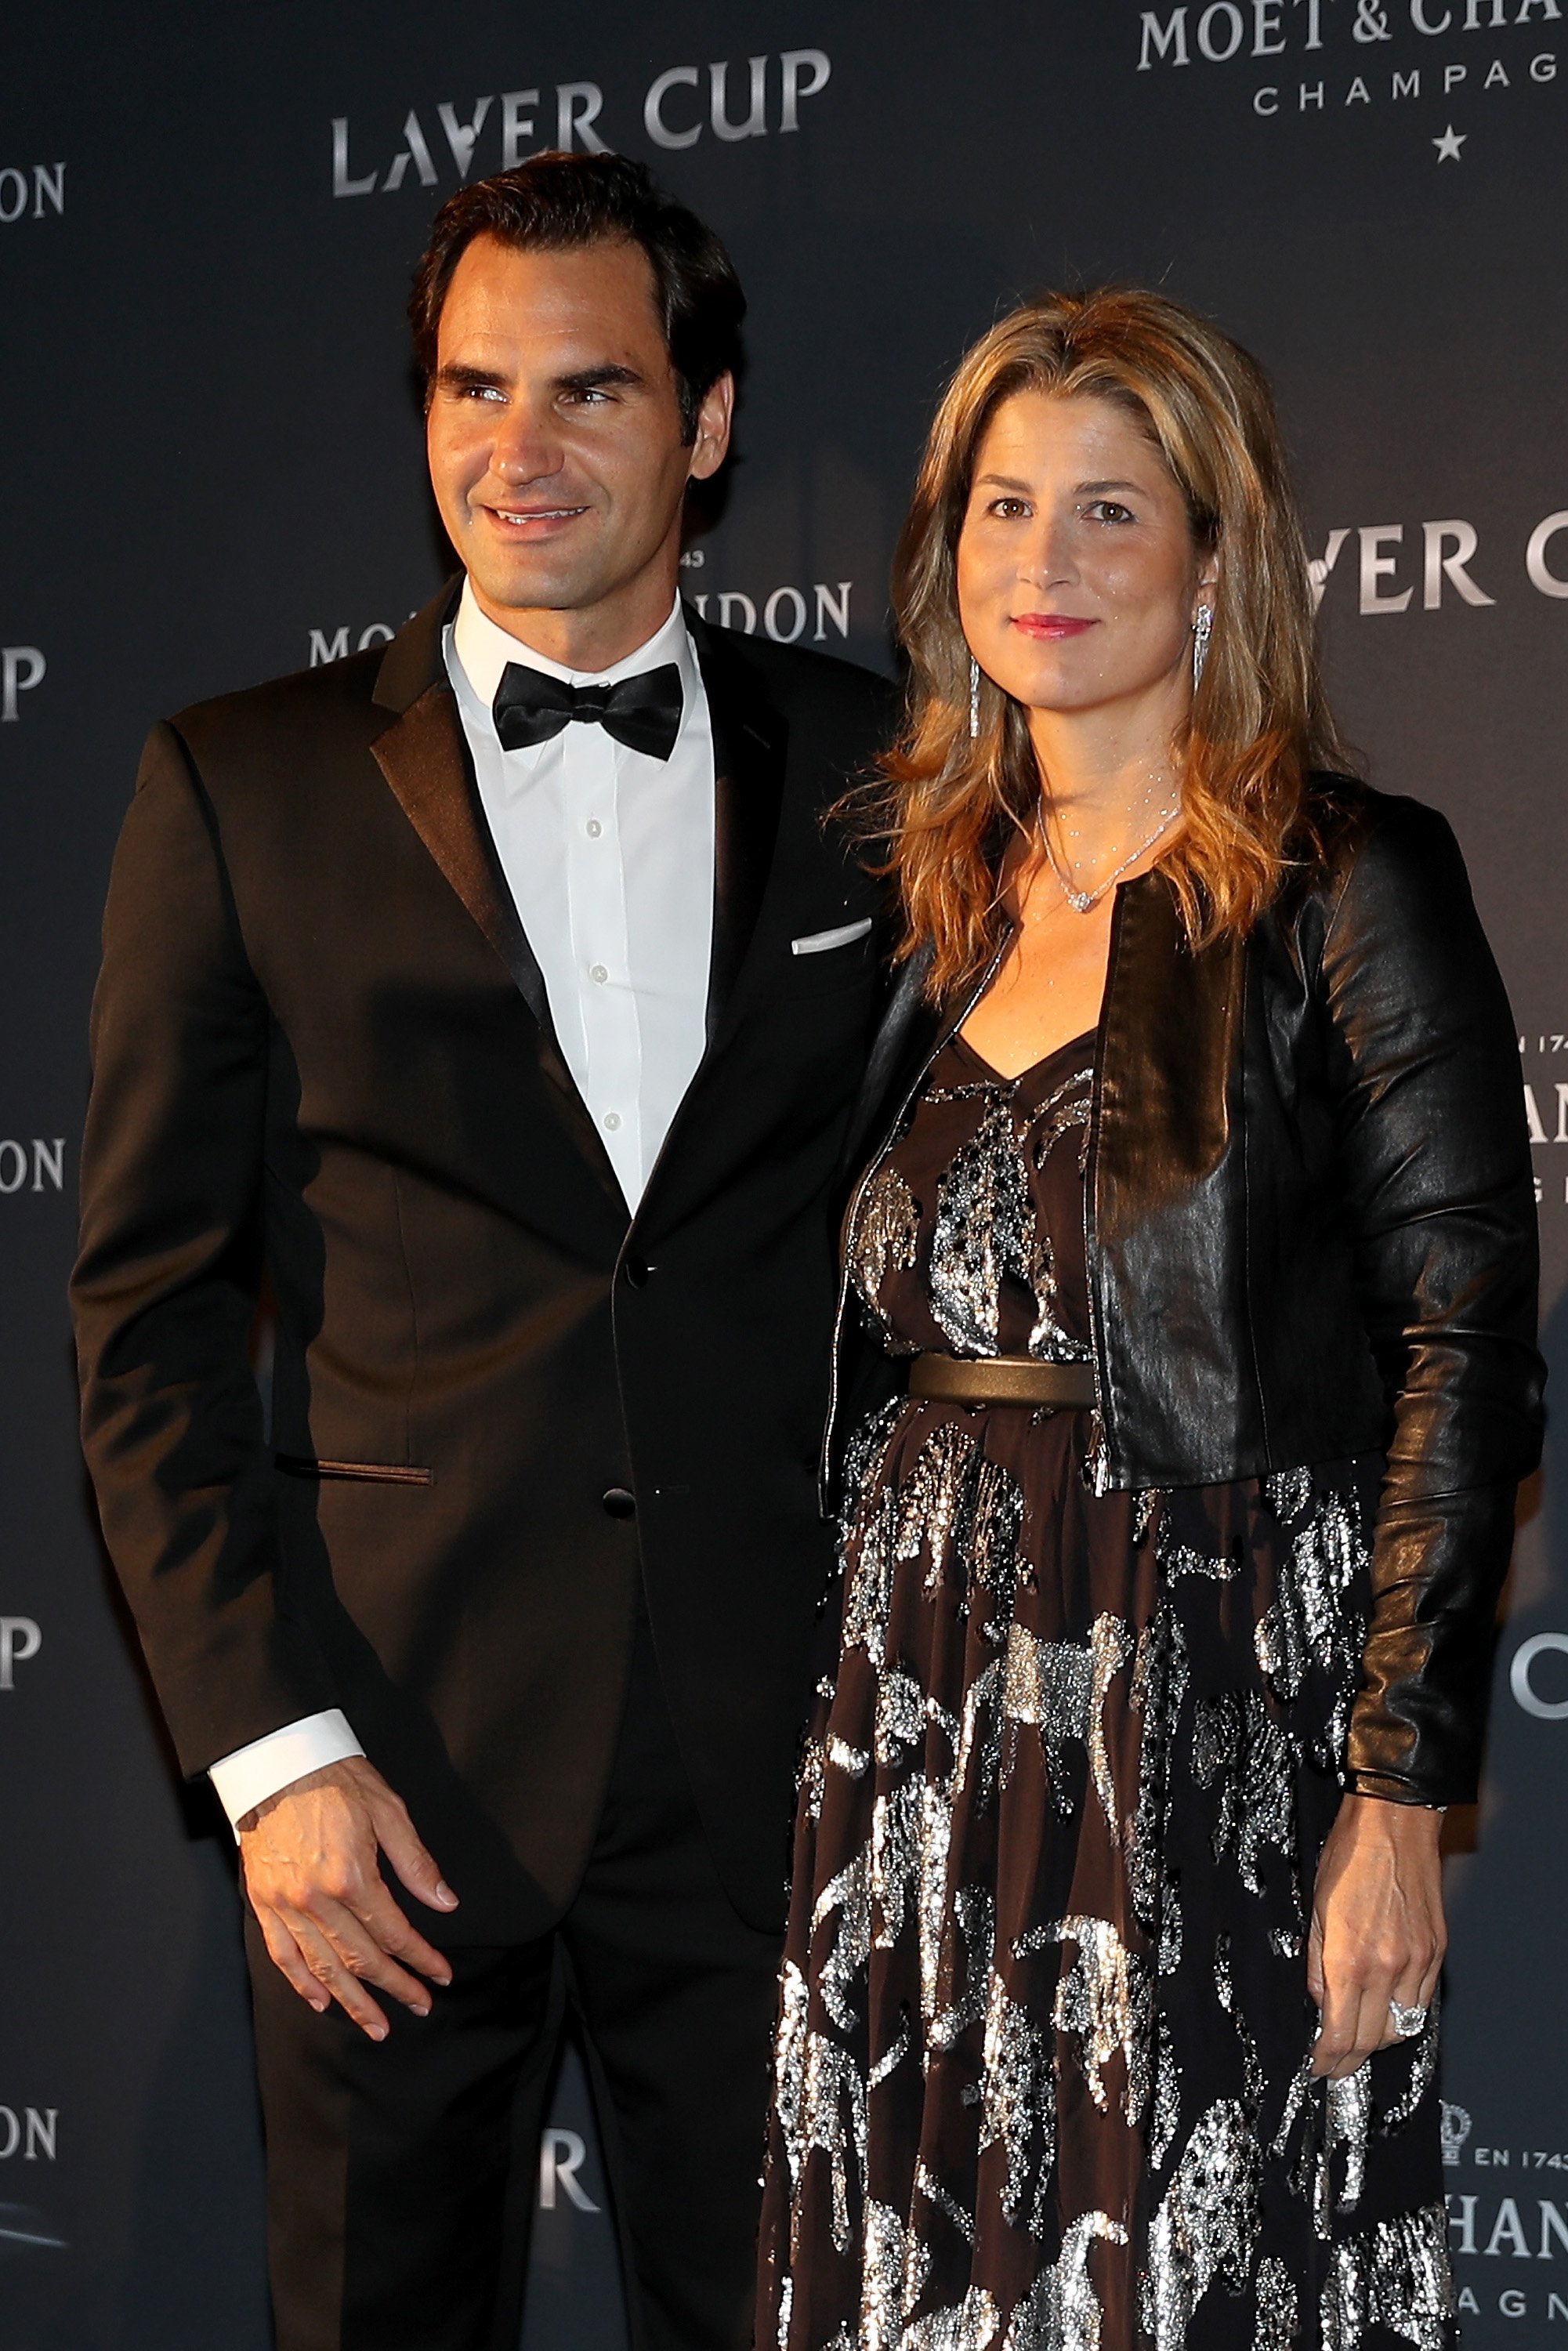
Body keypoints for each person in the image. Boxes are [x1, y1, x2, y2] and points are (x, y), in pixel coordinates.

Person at [71, 152, 894, 2351]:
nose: (514, 454)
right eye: (469, 390)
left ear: (705, 425)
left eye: (588, 393)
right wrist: (268, 1757)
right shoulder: (236, 784)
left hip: (786, 1780)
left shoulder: (883, 771)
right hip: (389, 1786)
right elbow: (144, 1321)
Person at [755, 288, 1543, 2350]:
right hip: (912, 1709)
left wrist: (1393, 1794)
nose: (1044, 562)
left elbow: (1464, 1338)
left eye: (1109, 511)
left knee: (1178, 2280)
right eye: (1004, 506)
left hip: (1199, 1702)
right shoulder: (919, 901)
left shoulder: (1344, 878)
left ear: (1215, 559)